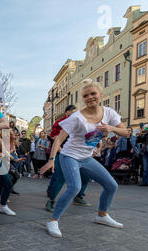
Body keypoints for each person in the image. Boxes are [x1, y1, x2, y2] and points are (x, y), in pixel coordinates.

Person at [40, 79, 127, 238]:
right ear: (83, 99)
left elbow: (126, 132)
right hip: (70, 156)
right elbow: (59, 139)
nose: (90, 97)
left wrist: (111, 128)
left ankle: (102, 215)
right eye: (86, 95)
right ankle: (53, 220)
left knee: (112, 185)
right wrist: (51, 159)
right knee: (74, 187)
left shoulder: (109, 113)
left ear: (100, 95)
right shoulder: (76, 117)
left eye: (93, 93)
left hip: (87, 158)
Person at [45, 105, 91, 213]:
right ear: (67, 112)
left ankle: (78, 197)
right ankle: (51, 201)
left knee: (85, 176)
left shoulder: (79, 123)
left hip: (78, 154)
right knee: (60, 177)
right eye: (73, 112)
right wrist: (61, 151)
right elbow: (54, 138)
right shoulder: (60, 123)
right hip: (63, 152)